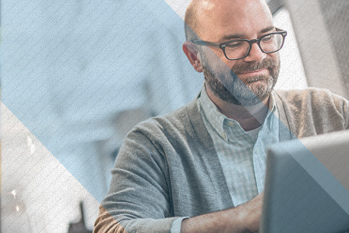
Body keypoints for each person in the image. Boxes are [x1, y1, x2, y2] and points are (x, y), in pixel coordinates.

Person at [94, 0, 349, 232]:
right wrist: (239, 218)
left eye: (267, 36)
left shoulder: (327, 111)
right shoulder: (154, 145)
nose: (258, 55)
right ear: (195, 57)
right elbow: (111, 228)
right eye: (234, 43)